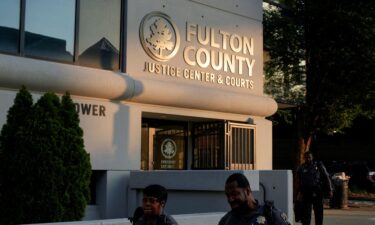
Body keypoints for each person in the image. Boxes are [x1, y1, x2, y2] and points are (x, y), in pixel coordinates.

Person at [218, 173, 291, 225]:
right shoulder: (226, 221)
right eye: (228, 195)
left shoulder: (271, 215)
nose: (230, 199)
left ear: (247, 191)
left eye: (234, 194)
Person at [295, 151, 333, 225]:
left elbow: (326, 177)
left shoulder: (318, 166)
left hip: (317, 192)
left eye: (309, 157)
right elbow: (298, 182)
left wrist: (330, 189)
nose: (308, 159)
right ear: (304, 158)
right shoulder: (301, 168)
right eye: (306, 157)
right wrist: (297, 194)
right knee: (306, 214)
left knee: (318, 212)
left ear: (312, 157)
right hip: (306, 193)